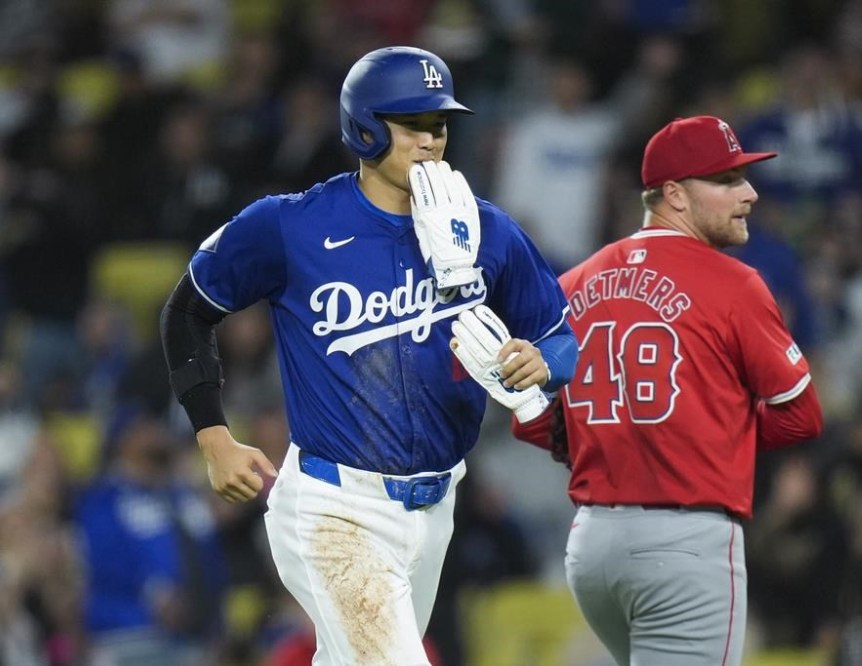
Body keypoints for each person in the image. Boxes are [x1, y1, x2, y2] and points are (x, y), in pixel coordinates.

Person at [159, 45, 577, 664]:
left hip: (437, 507)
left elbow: (558, 335)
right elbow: (186, 311)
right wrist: (212, 435)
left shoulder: (487, 230)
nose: (431, 140)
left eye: (439, 124)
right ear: (364, 127)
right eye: (413, 124)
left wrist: (544, 362)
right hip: (335, 506)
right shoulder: (291, 225)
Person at [512, 115, 824, 665]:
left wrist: (611, 437)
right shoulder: (735, 283)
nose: (748, 192)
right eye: (726, 180)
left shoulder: (570, 284)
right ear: (674, 195)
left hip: (591, 547)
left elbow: (533, 419)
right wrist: (711, 429)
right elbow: (800, 417)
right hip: (685, 544)